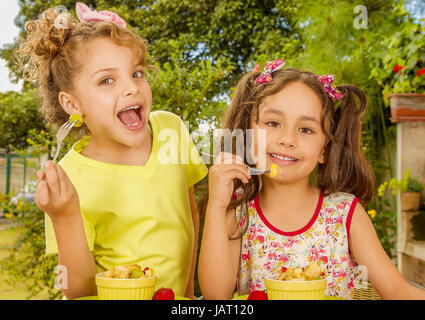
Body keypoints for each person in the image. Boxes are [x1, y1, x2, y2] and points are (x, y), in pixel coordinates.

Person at [18, 3, 207, 300]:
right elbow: (77, 291)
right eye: (107, 80)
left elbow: (189, 216)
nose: (132, 87)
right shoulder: (70, 179)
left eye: (137, 73)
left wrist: (186, 292)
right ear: (72, 104)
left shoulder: (170, 129)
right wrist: (65, 216)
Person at [198, 59, 425, 300]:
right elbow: (215, 297)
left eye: (306, 129)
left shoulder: (344, 213)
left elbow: (396, 290)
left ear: (325, 149)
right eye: (273, 123)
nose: (287, 139)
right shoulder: (237, 212)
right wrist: (217, 204)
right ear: (248, 133)